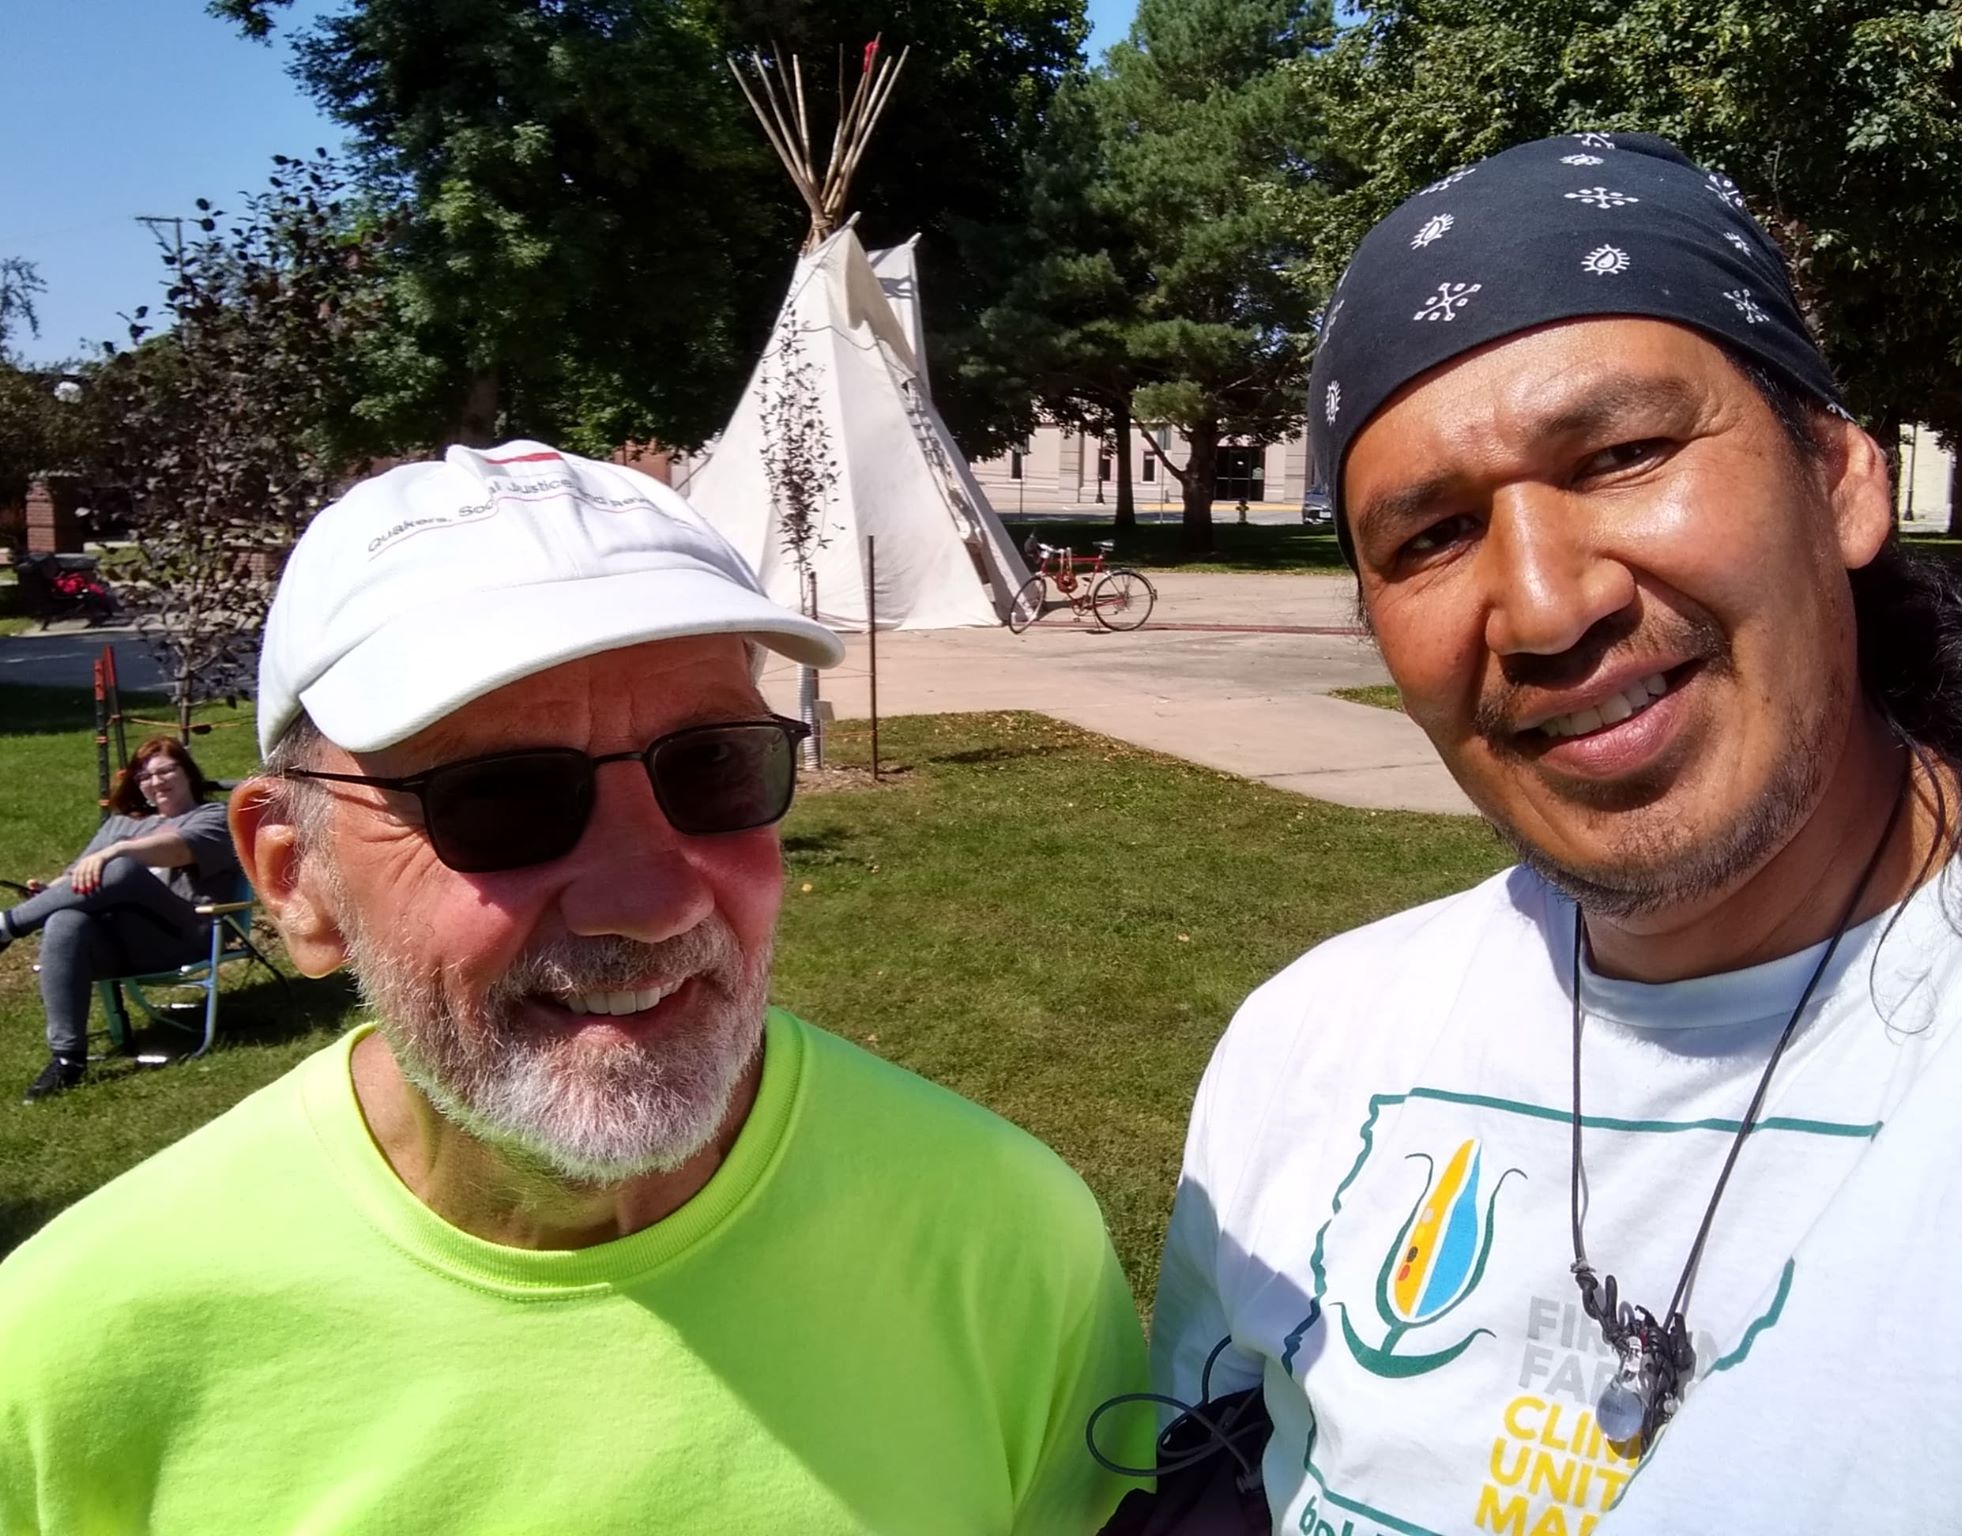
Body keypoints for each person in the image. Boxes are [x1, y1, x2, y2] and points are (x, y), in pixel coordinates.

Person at [1148, 134, 1962, 1534]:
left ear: (1839, 480)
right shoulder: (1309, 1048)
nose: (1546, 606)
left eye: (1623, 455)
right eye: (1432, 536)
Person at [0, 442, 1148, 1531]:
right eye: (497, 797)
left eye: (712, 765)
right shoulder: (73, 1351)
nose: (650, 902)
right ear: (295, 879)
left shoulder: (1005, 1239)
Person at [3, 735, 242, 1101]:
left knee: (121, 868)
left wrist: (116, 852)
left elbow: (178, 851)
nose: (156, 782)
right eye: (145, 776)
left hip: (184, 934)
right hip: (121, 942)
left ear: (188, 772)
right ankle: (68, 1059)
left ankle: (6, 927)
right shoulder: (120, 825)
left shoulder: (213, 817)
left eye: (166, 771)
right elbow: (77, 877)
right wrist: (48, 894)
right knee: (64, 921)